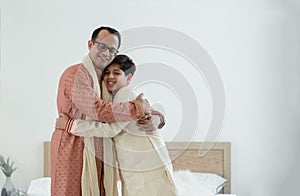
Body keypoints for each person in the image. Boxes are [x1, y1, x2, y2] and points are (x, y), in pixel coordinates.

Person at [52, 26, 165, 196]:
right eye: (102, 46)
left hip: (101, 151)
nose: (106, 53)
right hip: (72, 147)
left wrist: (157, 118)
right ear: (90, 44)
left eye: (112, 50)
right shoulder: (76, 74)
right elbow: (97, 109)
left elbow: (134, 99)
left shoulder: (106, 80)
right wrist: (138, 108)